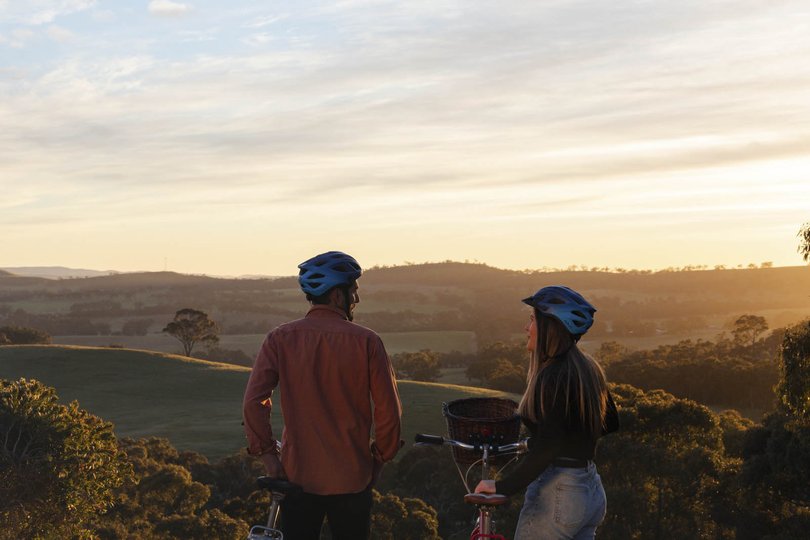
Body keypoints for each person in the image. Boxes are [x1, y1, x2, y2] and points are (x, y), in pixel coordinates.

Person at [243, 251, 402, 540]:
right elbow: (388, 411)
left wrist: (269, 459)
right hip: (353, 477)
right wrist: (379, 461)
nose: (356, 298)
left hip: (297, 477)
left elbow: (254, 403)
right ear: (338, 296)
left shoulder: (280, 338)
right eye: (353, 290)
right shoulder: (367, 341)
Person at [474, 285, 619, 539]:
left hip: (559, 493)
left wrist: (501, 487)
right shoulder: (587, 367)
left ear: (550, 326)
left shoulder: (552, 375)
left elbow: (549, 447)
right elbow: (609, 423)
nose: (526, 328)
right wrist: (557, 440)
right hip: (590, 490)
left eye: (532, 320)